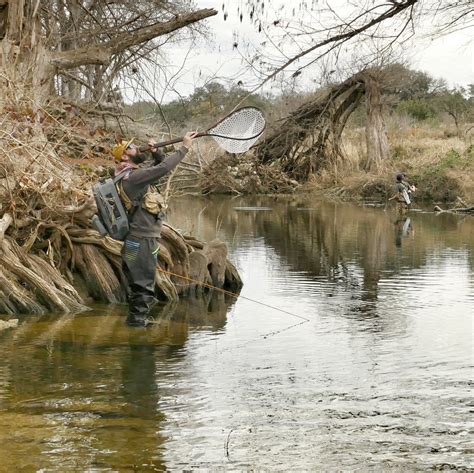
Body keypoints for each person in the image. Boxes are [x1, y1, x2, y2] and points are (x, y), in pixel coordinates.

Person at [111, 131, 198, 327]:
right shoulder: (133, 178)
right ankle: (138, 331)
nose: (137, 147)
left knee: (138, 283)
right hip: (141, 241)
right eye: (131, 147)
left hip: (135, 240)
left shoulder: (128, 176)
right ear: (125, 156)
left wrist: (157, 153)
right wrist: (184, 148)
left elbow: (157, 167)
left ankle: (135, 325)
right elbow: (163, 169)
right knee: (143, 286)